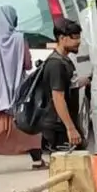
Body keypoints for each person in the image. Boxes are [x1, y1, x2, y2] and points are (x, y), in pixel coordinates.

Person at [0, 4, 41, 161]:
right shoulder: (19, 39)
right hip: (18, 88)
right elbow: (28, 65)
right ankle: (37, 158)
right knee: (27, 124)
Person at [34, 18, 84, 156]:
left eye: (79, 37)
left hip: (64, 124)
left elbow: (70, 86)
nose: (78, 41)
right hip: (58, 128)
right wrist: (70, 128)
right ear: (62, 38)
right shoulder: (56, 64)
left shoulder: (65, 61)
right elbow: (58, 97)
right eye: (74, 37)